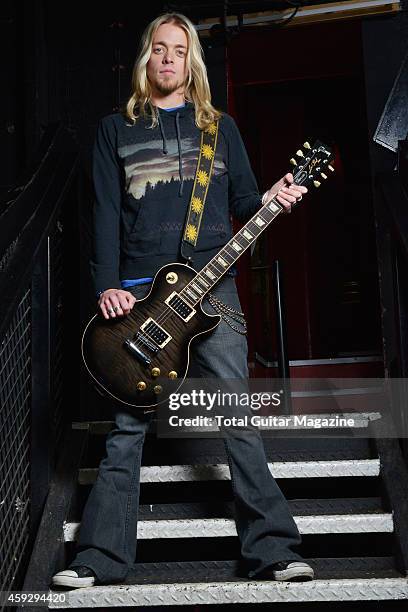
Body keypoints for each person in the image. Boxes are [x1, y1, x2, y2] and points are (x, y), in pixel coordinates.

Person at [52, 12, 313, 589]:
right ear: (146, 58)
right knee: (127, 427)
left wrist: (274, 196)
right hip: (142, 295)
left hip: (214, 292)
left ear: (192, 61)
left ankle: (273, 550)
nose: (169, 58)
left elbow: (246, 199)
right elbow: (102, 217)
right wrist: (108, 286)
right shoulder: (113, 130)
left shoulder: (221, 128)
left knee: (238, 420)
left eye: (180, 50)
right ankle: (99, 558)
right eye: (159, 49)